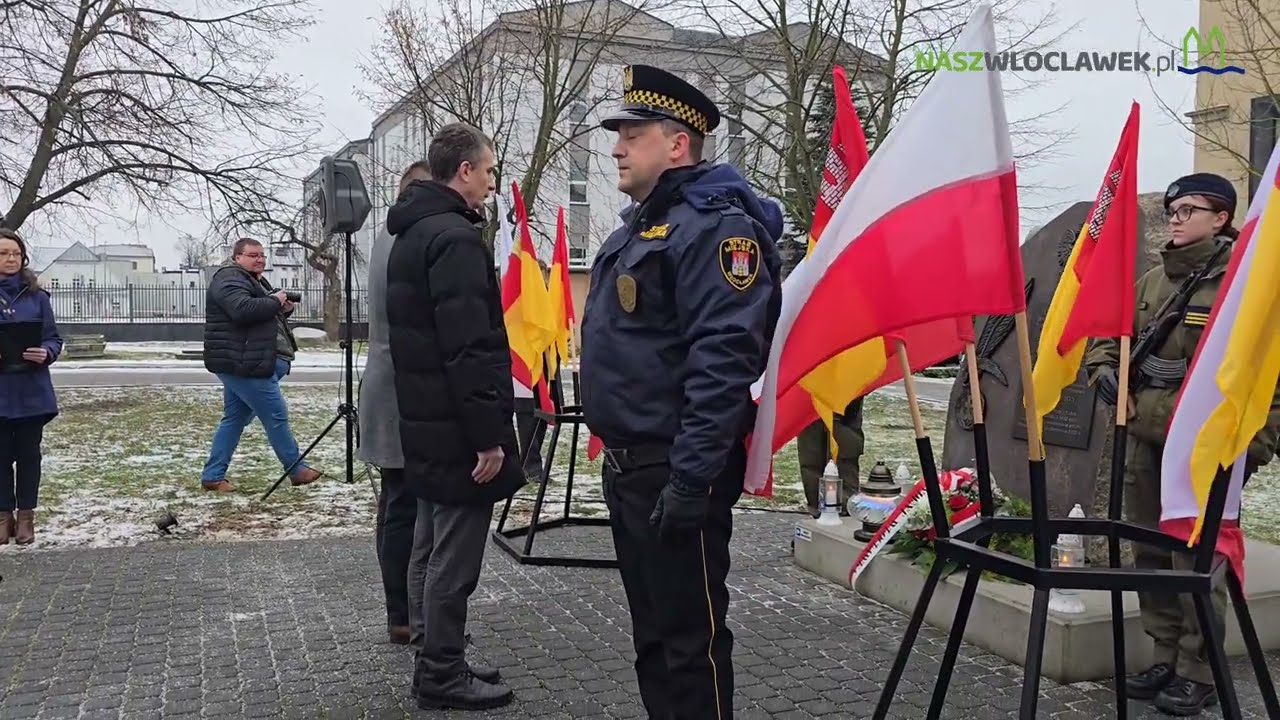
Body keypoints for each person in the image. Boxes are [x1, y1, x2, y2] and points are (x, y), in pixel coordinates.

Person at [579, 64, 782, 719]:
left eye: (631, 134)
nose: (615, 147)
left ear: (677, 143)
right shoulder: (641, 226)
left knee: (689, 643)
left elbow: (721, 362)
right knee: (653, 638)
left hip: (674, 471)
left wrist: (692, 482)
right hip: (631, 468)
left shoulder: (716, 229)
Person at [1085, 173, 1280, 716]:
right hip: (1147, 443)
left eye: (1190, 208)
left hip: (1204, 452)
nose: (1175, 216)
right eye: (1173, 207)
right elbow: (1108, 338)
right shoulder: (1152, 281)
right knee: (1151, 552)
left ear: (1221, 218)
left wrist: (1254, 446)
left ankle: (1200, 670)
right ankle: (1165, 656)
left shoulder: (1245, 284)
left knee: (1198, 560)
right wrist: (1106, 372)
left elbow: (1271, 378)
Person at [385, 122, 524, 711]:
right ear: (464, 171)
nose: (492, 184)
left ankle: (435, 655)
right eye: (489, 171)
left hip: (426, 421)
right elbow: (469, 348)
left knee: (428, 541)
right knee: (455, 558)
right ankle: (440, 672)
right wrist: (489, 438)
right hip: (457, 430)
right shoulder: (455, 239)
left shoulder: (413, 234)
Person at [362, 161, 432, 645]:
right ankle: (406, 613)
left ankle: (401, 611)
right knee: (405, 505)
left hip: (386, 384)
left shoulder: (388, 234)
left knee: (395, 502)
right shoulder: (410, 237)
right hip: (402, 390)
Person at [199, 238, 321, 492]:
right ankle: (297, 469)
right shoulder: (229, 279)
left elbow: (256, 318)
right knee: (276, 416)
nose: (260, 260)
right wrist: (274, 301)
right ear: (237, 258)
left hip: (246, 360)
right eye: (253, 255)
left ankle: (213, 476)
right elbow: (242, 310)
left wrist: (281, 309)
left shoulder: (250, 280)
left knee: (234, 419)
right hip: (244, 363)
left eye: (262, 256)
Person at [0, 229, 62, 545]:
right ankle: (3, 517)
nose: (10, 259)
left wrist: (47, 352)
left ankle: (26, 518)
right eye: (3, 253)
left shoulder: (37, 297)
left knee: (28, 456)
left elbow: (53, 337)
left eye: (15, 253)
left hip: (30, 390)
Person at [796, 399, 865, 517]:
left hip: (843, 401)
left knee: (843, 457)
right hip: (810, 400)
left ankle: (844, 509)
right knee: (812, 457)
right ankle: (818, 510)